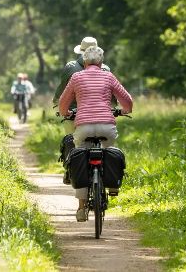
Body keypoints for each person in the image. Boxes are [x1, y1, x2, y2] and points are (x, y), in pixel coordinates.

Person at [58, 45, 133, 222]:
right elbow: (127, 101)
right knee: (109, 150)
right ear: (101, 62)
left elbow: (63, 104)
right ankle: (112, 183)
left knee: (80, 161)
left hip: (83, 127)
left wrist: (66, 113)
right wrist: (123, 111)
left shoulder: (76, 76)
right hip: (107, 126)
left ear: (84, 61)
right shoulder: (108, 76)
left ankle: (81, 208)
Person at [52, 36, 111, 135]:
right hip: (101, 116)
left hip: (74, 114)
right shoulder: (105, 69)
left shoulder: (71, 67)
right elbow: (111, 94)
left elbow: (62, 88)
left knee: (71, 140)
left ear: (81, 51)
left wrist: (56, 100)